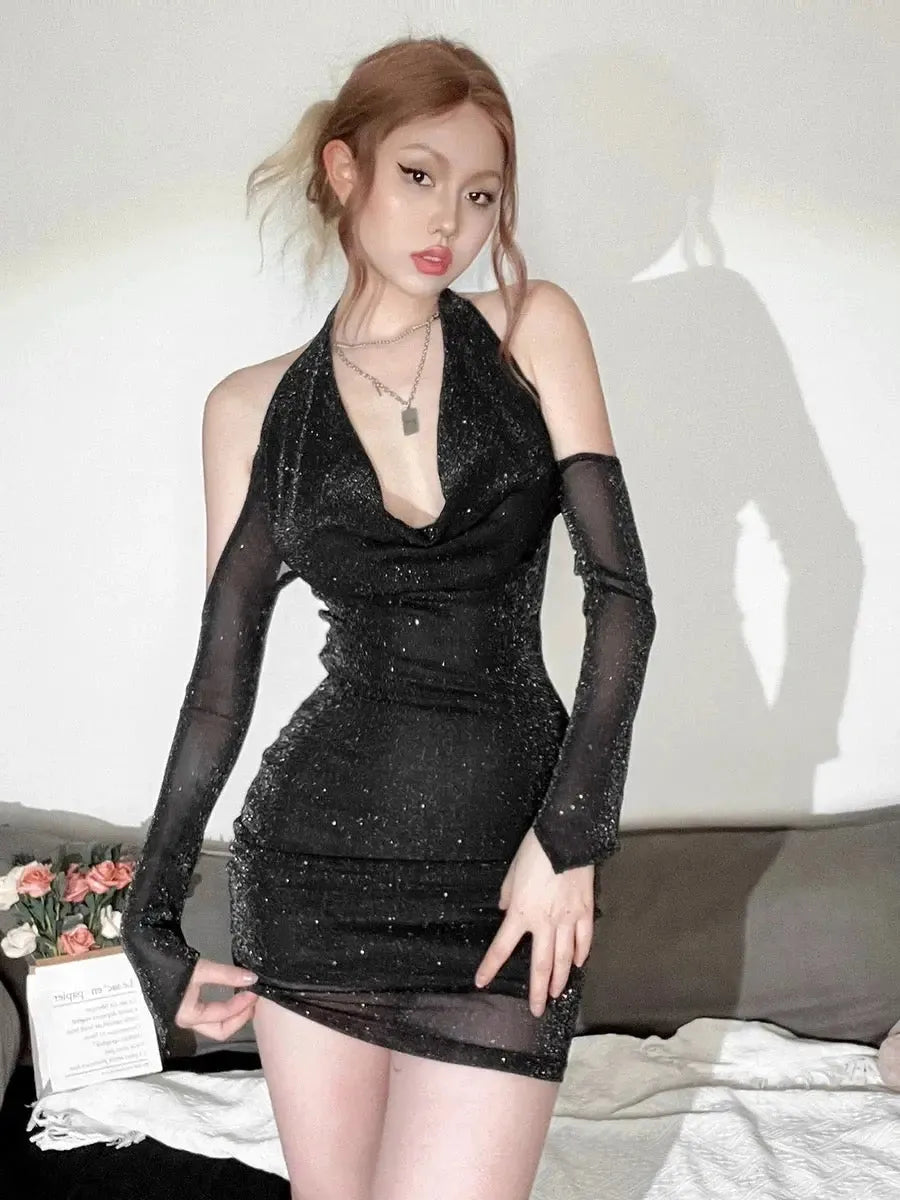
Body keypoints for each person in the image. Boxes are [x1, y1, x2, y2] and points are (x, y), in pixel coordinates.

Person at [120, 33, 657, 1200]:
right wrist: (147, 921)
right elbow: (220, 686)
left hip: (513, 877)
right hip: (312, 876)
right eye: (420, 175)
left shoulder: (532, 330)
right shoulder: (251, 409)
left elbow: (622, 599)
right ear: (345, 168)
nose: (451, 221)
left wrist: (571, 838)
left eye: (482, 194)